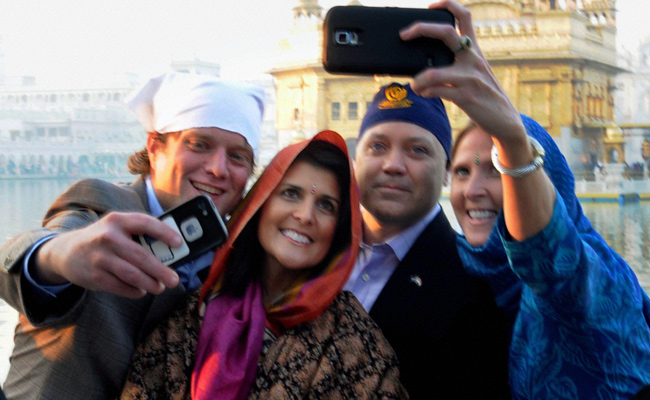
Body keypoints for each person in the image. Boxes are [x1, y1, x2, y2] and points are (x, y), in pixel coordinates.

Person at [0, 71, 265, 399]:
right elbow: (18, 261)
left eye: (238, 157)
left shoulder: (239, 257)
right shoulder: (102, 207)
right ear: (155, 148)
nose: (219, 168)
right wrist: (57, 256)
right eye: (199, 144)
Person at [119, 130, 406, 400]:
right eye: (291, 193)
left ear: (340, 231)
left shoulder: (354, 341)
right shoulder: (189, 315)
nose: (305, 216)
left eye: (326, 205)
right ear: (259, 205)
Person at [450, 117, 650, 399]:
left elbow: (550, 259)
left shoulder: (596, 274)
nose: (472, 190)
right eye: (461, 171)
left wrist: (514, 147)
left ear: (546, 181)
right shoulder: (451, 269)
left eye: (497, 169)